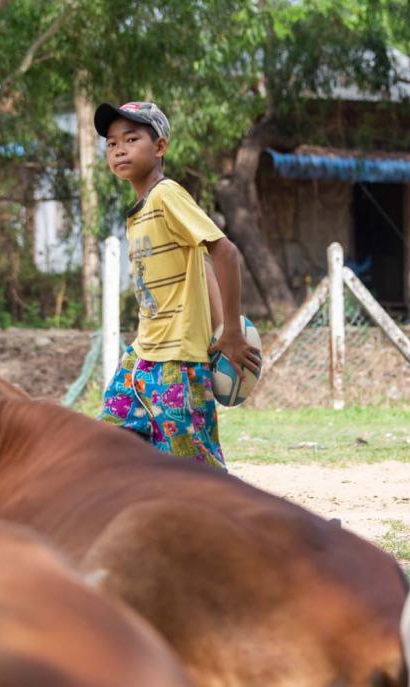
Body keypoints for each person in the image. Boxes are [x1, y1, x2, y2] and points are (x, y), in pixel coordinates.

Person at [94, 101, 259, 470]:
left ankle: (263, 527)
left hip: (177, 364)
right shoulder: (140, 211)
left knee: (196, 475)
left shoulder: (167, 195)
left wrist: (230, 331)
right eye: (111, 143)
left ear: (160, 147)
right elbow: (201, 264)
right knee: (106, 449)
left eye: (131, 138)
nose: (119, 148)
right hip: (141, 358)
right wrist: (220, 329)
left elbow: (225, 252)